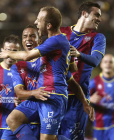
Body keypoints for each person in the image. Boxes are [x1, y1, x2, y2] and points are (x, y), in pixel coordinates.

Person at [0, 6, 94, 140]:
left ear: (48, 25)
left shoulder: (55, 41)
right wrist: (67, 60)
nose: (36, 22)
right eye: (25, 36)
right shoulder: (54, 48)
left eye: (38, 19)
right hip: (38, 98)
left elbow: (27, 56)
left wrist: (8, 53)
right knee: (12, 119)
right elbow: (73, 69)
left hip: (53, 95)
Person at [60, 1, 106, 139]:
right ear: (84, 14)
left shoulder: (97, 37)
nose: (100, 19)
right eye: (96, 14)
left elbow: (96, 60)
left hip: (78, 99)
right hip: (57, 95)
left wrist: (79, 54)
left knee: (73, 137)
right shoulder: (61, 32)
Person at [90, 54, 114, 140]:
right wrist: (90, 99)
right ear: (101, 65)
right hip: (99, 125)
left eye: (111, 62)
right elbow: (82, 99)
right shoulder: (94, 82)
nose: (108, 64)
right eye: (105, 62)